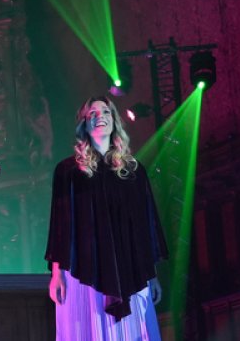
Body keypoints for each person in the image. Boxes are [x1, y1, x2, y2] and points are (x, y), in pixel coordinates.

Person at [45, 96, 166, 341]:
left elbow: (145, 226)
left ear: (115, 121)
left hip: (128, 267)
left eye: (106, 112)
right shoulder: (68, 171)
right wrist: (56, 273)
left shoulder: (133, 170)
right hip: (84, 269)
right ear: (84, 124)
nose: (100, 116)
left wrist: (151, 274)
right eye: (92, 113)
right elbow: (60, 225)